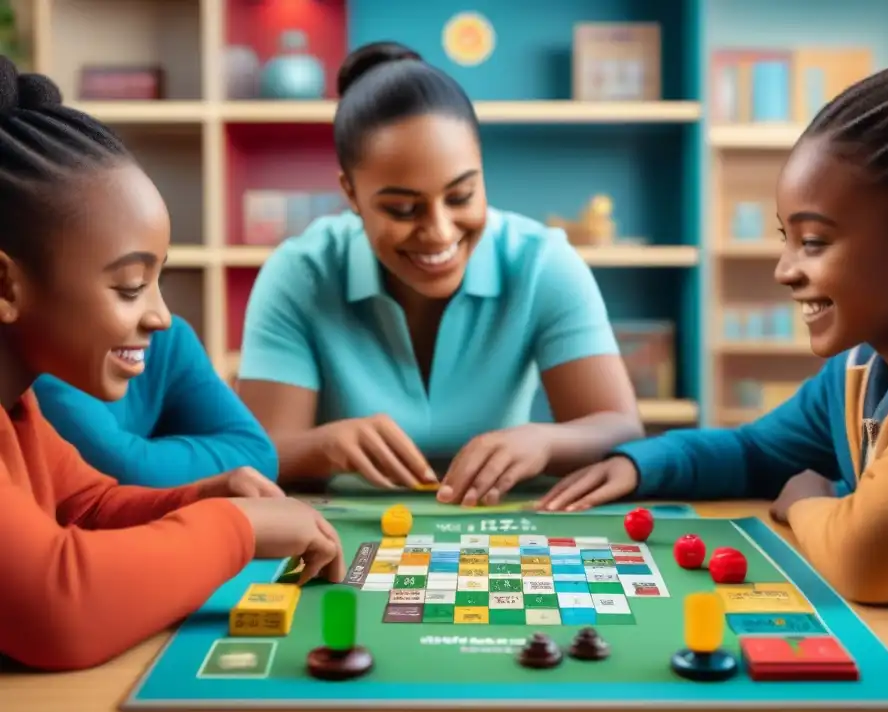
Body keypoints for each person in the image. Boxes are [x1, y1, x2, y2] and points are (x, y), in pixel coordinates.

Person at [538, 61, 888, 639]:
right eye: (784, 238)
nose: (784, 270)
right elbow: (755, 451)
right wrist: (639, 464)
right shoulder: (865, 365)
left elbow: (871, 561)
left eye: (814, 242)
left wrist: (805, 501)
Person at [0, 57, 344, 672]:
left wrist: (208, 493)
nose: (161, 317)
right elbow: (59, 609)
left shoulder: (17, 408)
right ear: (5, 286)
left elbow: (90, 509)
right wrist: (235, 526)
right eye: (131, 286)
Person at [236, 42, 643, 507]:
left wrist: (544, 442)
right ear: (350, 192)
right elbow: (255, 453)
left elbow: (620, 426)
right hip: (344, 532)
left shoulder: (542, 262)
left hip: (503, 523)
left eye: (461, 196)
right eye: (403, 208)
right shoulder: (299, 273)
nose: (438, 232)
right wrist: (326, 445)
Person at [32, 314, 279, 487]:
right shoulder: (39, 364)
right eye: (128, 288)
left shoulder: (165, 341)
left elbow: (258, 454)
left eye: (156, 280)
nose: (161, 316)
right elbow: (127, 471)